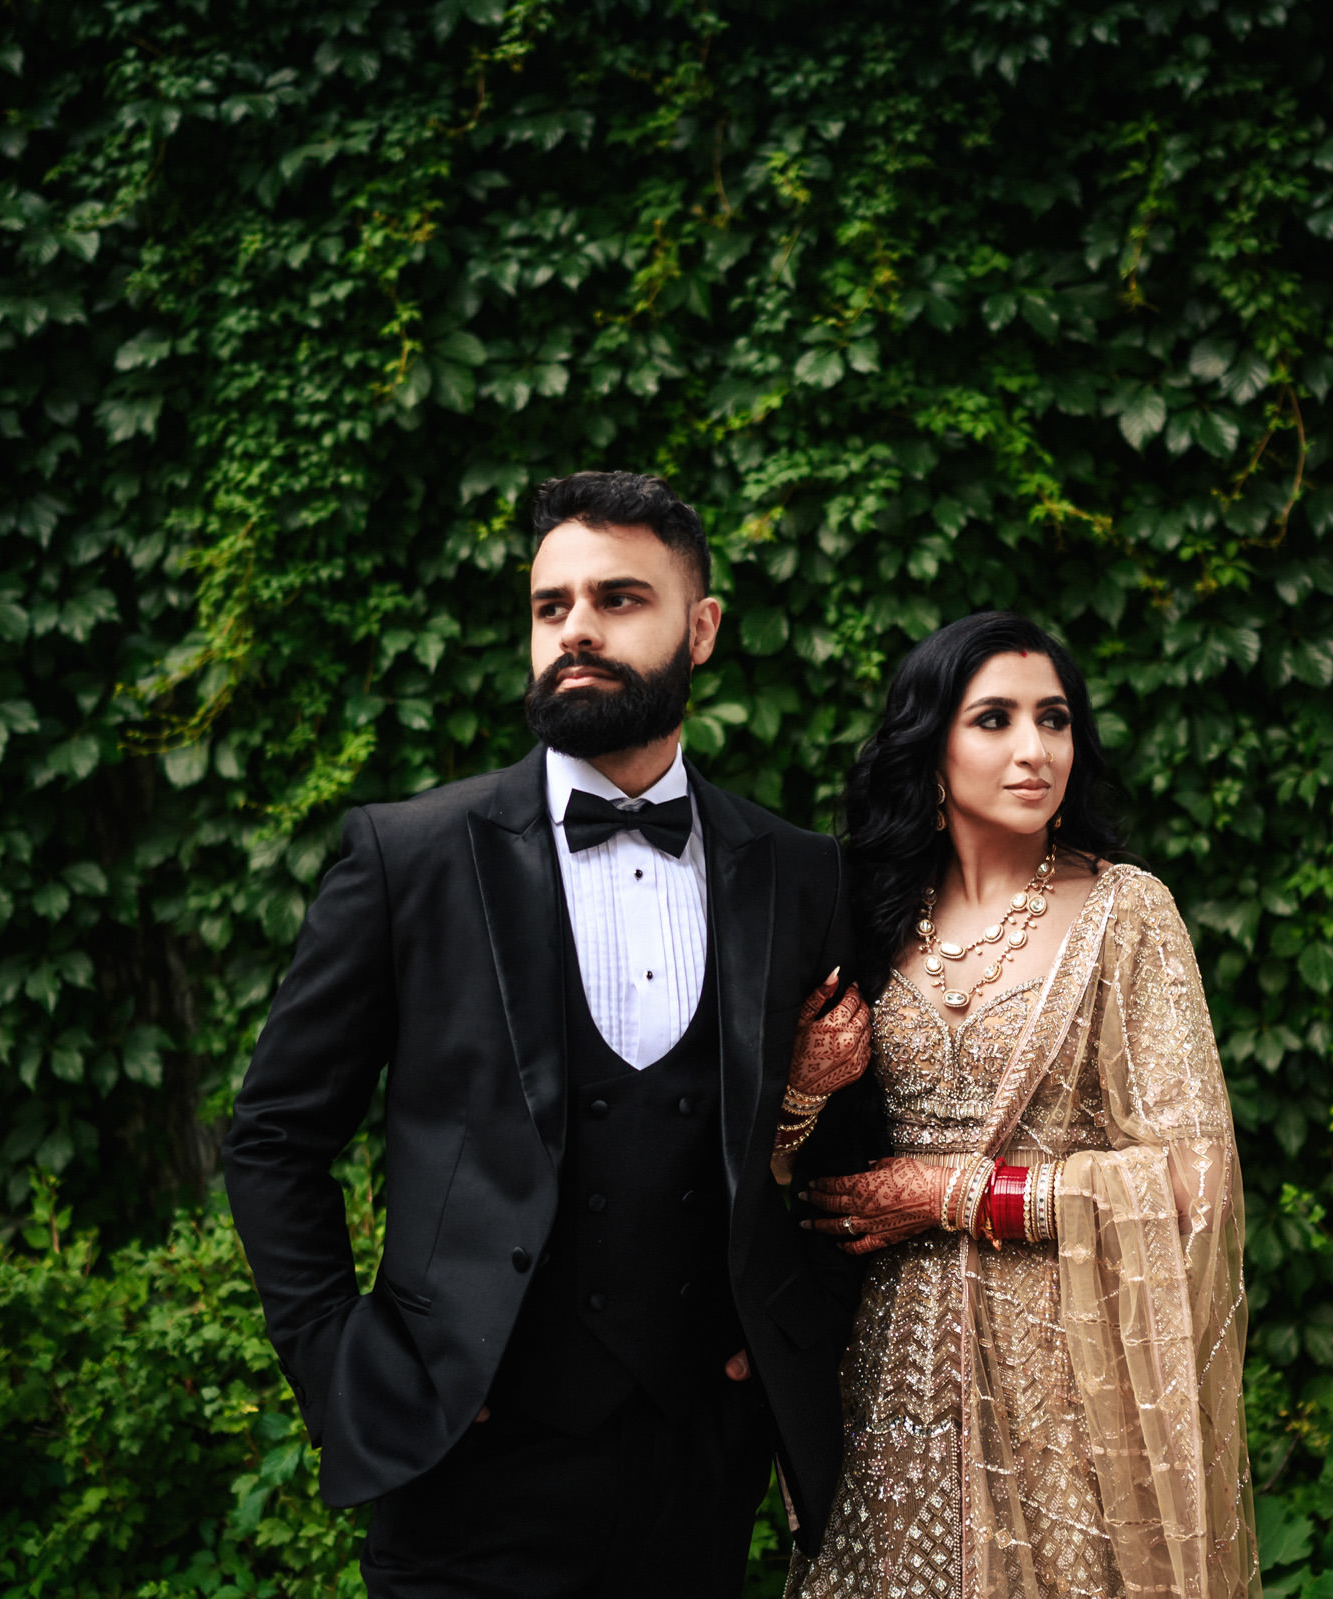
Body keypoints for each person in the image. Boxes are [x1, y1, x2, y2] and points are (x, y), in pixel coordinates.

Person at [222, 471, 877, 1599]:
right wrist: (350, 1367)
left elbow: (844, 1146)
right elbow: (274, 1138)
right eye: (551, 605)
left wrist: (784, 1325)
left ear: (701, 629)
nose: (575, 627)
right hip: (464, 1471)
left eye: (619, 599)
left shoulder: (802, 873)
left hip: (698, 1470)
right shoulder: (408, 858)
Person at [780, 610, 1261, 1599]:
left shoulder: (1127, 915)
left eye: (1055, 719)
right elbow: (784, 1170)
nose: (1036, 750)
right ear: (932, 741)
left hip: (1065, 1389)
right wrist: (801, 1089)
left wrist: (960, 1195)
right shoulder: (855, 909)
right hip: (885, 1381)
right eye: (994, 719)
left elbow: (1193, 1183)